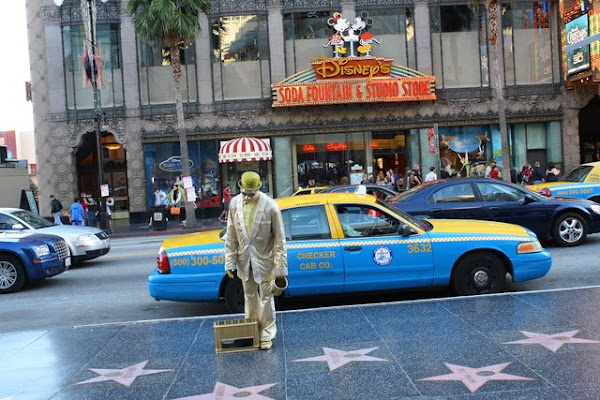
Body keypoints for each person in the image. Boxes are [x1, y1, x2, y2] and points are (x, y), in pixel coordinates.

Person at [224, 171, 287, 350]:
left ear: (258, 188)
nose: (247, 196)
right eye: (245, 193)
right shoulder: (234, 204)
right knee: (249, 296)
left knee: (266, 297)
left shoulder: (271, 206)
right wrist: (230, 261)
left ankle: (267, 333)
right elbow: (231, 235)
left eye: (251, 193)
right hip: (244, 260)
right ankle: (251, 330)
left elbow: (280, 240)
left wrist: (280, 268)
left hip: (265, 260)